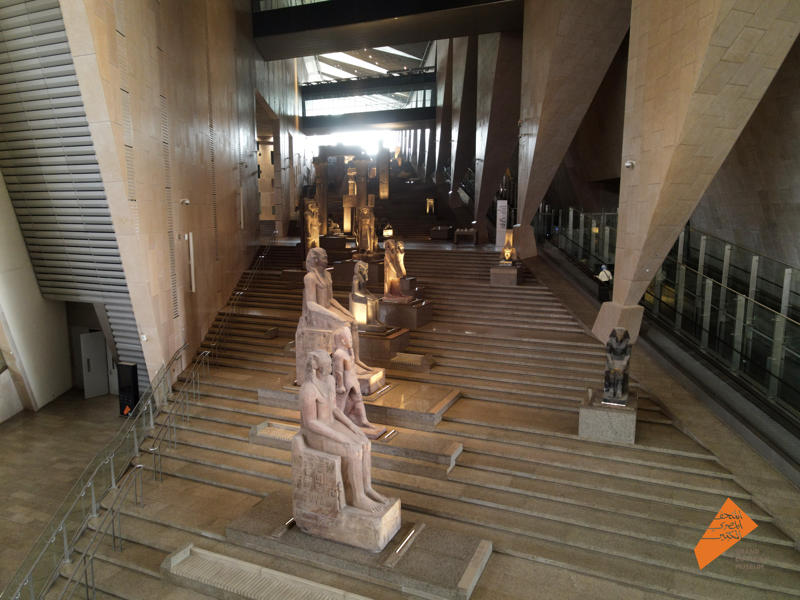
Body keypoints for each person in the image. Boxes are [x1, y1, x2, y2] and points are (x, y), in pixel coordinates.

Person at [299, 350, 387, 512]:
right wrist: (340, 437)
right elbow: (310, 423)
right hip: (317, 434)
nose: (331, 367)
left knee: (364, 443)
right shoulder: (308, 389)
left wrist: (353, 427)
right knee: (353, 450)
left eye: (331, 363)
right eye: (328, 364)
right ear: (317, 367)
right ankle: (358, 497)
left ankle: (367, 488)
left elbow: (334, 409)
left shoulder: (330, 380)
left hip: (332, 425)